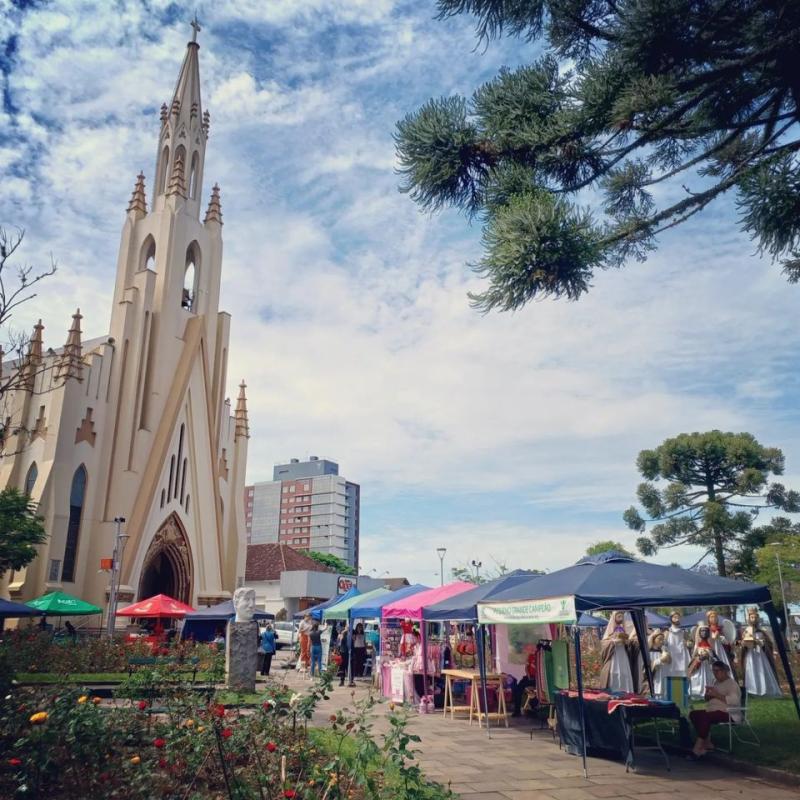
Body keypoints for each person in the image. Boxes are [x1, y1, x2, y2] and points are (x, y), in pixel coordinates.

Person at [688, 660, 741, 758]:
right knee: (694, 714)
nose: (715, 674)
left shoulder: (731, 684)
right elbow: (709, 699)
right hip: (713, 710)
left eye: (717, 671)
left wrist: (716, 695)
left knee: (705, 717)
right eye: (713, 671)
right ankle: (707, 742)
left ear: (724, 671)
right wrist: (708, 695)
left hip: (728, 712)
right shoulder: (715, 682)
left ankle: (698, 747)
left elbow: (734, 701)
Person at [599, 611, 635, 692]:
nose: (621, 617)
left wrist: (626, 642)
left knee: (624, 673)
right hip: (613, 656)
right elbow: (604, 644)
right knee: (613, 674)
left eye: (622, 615)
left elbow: (629, 644)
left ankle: (625, 693)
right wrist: (614, 642)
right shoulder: (609, 631)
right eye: (619, 615)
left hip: (622, 655)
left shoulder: (623, 629)